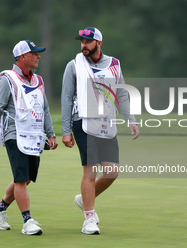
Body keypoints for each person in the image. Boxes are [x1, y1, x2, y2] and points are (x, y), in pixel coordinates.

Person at [61, 27, 139, 235]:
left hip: (107, 122)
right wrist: (65, 129)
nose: (83, 45)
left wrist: (130, 119)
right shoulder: (74, 65)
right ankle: (89, 219)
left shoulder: (114, 65)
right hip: (83, 122)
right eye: (82, 42)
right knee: (90, 171)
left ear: (99, 43)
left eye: (88, 41)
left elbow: (121, 94)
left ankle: (84, 198)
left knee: (113, 171)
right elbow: (67, 98)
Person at [0, 40, 58, 235]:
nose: (38, 56)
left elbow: (45, 109)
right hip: (13, 135)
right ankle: (27, 221)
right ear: (23, 56)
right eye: (34, 53)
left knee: (26, 180)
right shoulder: (7, 79)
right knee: (21, 178)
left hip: (34, 135)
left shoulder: (38, 81)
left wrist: (50, 133)